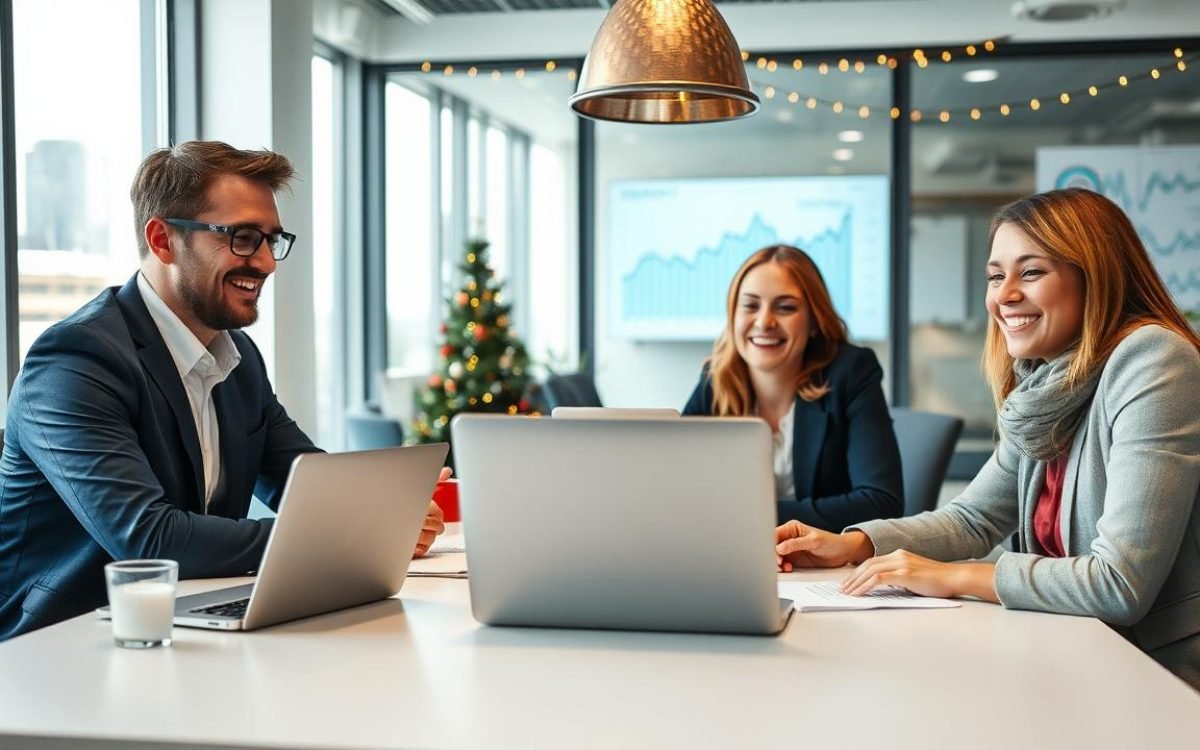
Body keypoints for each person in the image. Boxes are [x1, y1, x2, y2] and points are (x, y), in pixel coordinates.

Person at [0, 141, 446, 640]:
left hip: (189, 624)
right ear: (163, 240)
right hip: (60, 645)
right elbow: (148, 539)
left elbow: (306, 483)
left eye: (272, 240)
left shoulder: (238, 358)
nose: (267, 263)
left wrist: (387, 515)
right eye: (243, 238)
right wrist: (352, 534)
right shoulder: (75, 361)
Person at [776, 188, 1200, 689]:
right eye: (996, 276)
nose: (1004, 296)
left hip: (1154, 673)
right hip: (1069, 651)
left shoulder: (1153, 360)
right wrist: (853, 544)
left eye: (1031, 272)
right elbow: (973, 518)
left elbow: (1119, 584)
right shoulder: (1047, 385)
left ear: (1096, 275)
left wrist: (955, 576)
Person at [683, 244, 903, 530]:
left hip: (821, 556)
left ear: (814, 321)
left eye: (785, 307)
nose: (764, 322)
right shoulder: (716, 380)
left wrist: (748, 515)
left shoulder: (850, 372)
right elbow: (675, 487)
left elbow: (881, 502)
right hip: (728, 550)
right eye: (750, 305)